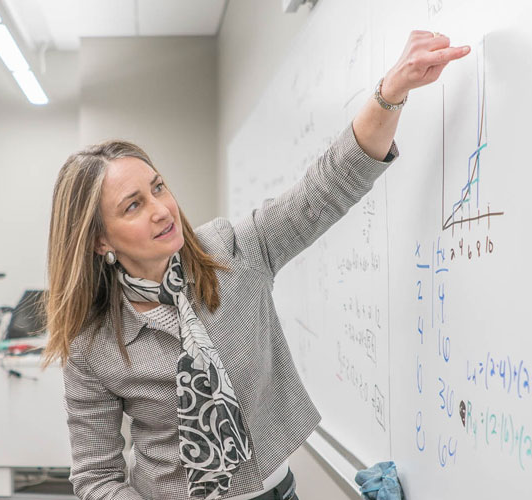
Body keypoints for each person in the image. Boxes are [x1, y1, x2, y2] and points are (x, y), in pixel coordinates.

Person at [41, 31, 469, 500]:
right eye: (133, 206)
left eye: (159, 187)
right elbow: (96, 477)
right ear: (100, 239)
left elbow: (326, 189)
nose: (161, 209)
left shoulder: (230, 251)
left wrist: (389, 94)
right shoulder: (92, 344)